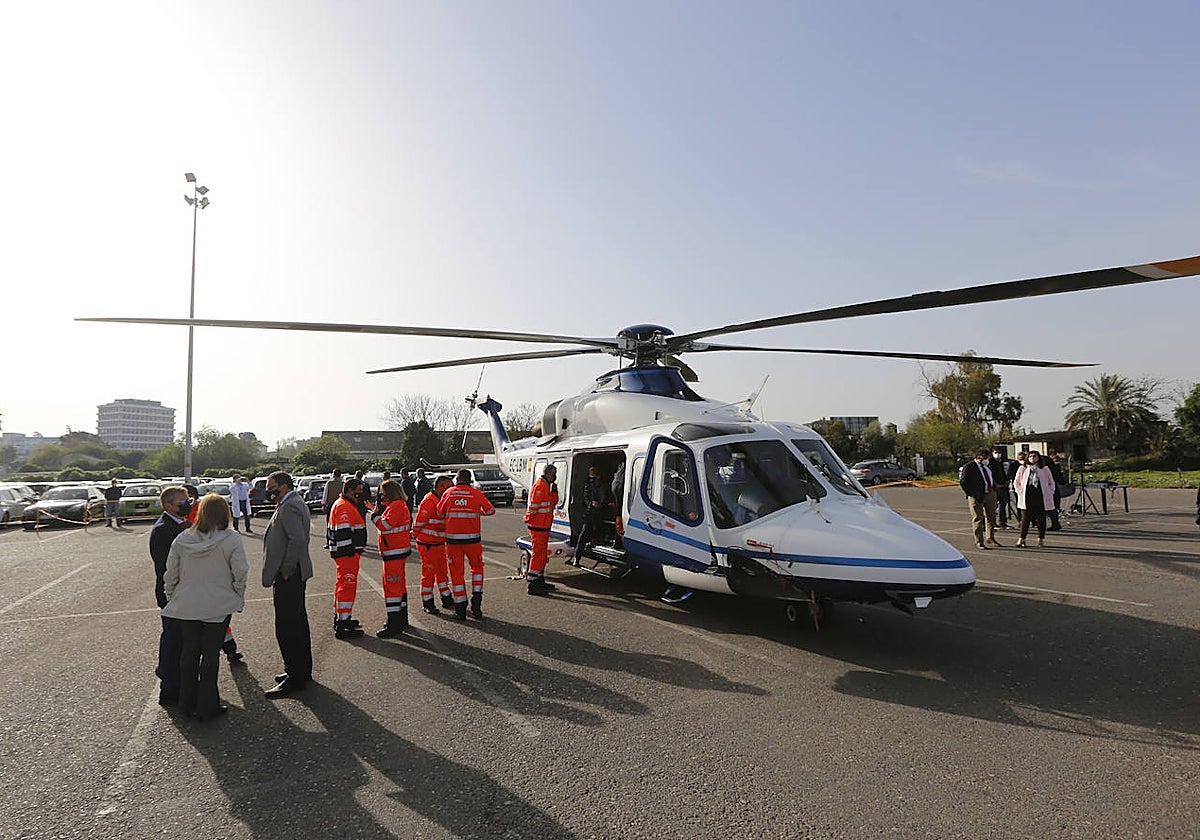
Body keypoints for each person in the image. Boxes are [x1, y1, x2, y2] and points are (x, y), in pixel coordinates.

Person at [162, 493, 248, 720]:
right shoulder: (231, 538)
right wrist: (237, 595)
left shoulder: (182, 538)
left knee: (189, 652)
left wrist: (172, 596)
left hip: (187, 604)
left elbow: (171, 574)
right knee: (211, 655)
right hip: (218, 605)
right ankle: (207, 704)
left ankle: (186, 702)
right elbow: (241, 571)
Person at [261, 471, 313, 697]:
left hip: (290, 574)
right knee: (297, 622)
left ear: (282, 486)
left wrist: (286, 569)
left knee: (288, 626)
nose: (267, 491)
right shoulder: (290, 501)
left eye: (270, 486)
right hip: (293, 572)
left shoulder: (290, 505)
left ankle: (295, 675)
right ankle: (301, 670)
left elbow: (297, 539)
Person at [149, 486, 192, 706]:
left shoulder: (183, 524)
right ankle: (170, 688)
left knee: (183, 641)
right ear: (167, 506)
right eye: (182, 502)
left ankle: (179, 680)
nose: (187, 505)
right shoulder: (163, 530)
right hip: (173, 595)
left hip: (186, 594)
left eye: (189, 500)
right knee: (173, 641)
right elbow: (167, 569)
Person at [437, 469, 496, 620]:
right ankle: (476, 603)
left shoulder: (449, 493)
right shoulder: (476, 493)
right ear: (469, 480)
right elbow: (490, 511)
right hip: (473, 540)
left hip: (453, 541)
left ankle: (461, 609)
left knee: (457, 574)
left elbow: (439, 512)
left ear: (457, 480)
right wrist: (476, 512)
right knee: (477, 569)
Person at [326, 478, 368, 638]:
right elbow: (343, 533)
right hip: (346, 555)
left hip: (347, 554)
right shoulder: (344, 506)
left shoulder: (345, 504)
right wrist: (351, 552)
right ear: (350, 490)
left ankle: (342, 617)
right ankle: (343, 623)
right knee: (347, 586)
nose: (361, 494)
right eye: (358, 490)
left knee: (342, 585)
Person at [371, 479, 412, 637]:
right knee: (399, 587)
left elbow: (385, 526)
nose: (381, 497)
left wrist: (374, 516)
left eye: (383, 494)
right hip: (398, 551)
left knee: (392, 588)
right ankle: (401, 619)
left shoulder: (396, 506)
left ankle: (394, 624)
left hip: (394, 553)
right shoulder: (397, 505)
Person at [413, 475, 454, 614]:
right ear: (441, 487)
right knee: (428, 574)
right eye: (449, 486)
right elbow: (418, 523)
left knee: (442, 572)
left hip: (438, 543)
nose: (452, 489)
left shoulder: (441, 499)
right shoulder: (430, 501)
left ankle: (446, 598)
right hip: (428, 544)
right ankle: (428, 602)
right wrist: (418, 535)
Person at [524, 464, 559, 596]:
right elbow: (533, 506)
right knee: (538, 554)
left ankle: (539, 580)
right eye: (554, 474)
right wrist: (529, 519)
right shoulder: (540, 486)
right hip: (538, 526)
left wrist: (554, 491)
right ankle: (533, 584)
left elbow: (552, 503)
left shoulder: (547, 486)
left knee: (542, 555)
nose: (555, 477)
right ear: (549, 474)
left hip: (543, 526)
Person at [1012, 451, 1056, 547]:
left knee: (1041, 518)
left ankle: (1041, 539)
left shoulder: (1044, 469)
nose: (1032, 458)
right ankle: (1022, 539)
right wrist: (1019, 491)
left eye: (1034, 456)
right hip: (1027, 495)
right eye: (1030, 456)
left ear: (1038, 458)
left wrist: (1050, 491)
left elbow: (1051, 482)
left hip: (1040, 495)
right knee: (1025, 519)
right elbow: (1016, 482)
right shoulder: (1023, 468)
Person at [959, 450, 1001, 549]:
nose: (987, 460)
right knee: (978, 518)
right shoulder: (969, 467)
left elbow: (990, 477)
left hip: (990, 493)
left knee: (991, 516)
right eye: (985, 458)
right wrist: (970, 493)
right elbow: (963, 481)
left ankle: (990, 537)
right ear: (979, 457)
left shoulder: (988, 466)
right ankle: (978, 541)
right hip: (976, 495)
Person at [573, 465, 613, 561]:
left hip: (599, 512)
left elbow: (605, 496)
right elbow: (586, 496)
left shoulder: (603, 485)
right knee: (584, 534)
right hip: (590, 512)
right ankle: (577, 557)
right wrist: (592, 503)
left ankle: (593, 544)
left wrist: (602, 504)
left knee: (596, 531)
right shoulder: (589, 484)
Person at [990, 448, 1011, 530]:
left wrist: (1006, 480)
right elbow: (990, 474)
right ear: (992, 453)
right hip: (995, 486)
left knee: (1003, 503)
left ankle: (1002, 522)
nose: (998, 454)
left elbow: (1002, 472)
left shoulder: (1000, 462)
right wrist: (995, 484)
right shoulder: (990, 462)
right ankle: (992, 522)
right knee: (993, 505)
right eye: (996, 452)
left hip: (1003, 486)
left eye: (999, 452)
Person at [1046, 454, 1066, 531]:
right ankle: (1055, 523)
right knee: (1053, 507)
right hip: (1054, 489)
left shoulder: (1047, 469)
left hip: (1050, 490)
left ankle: (1055, 524)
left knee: (1050, 508)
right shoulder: (1055, 467)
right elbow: (1059, 478)